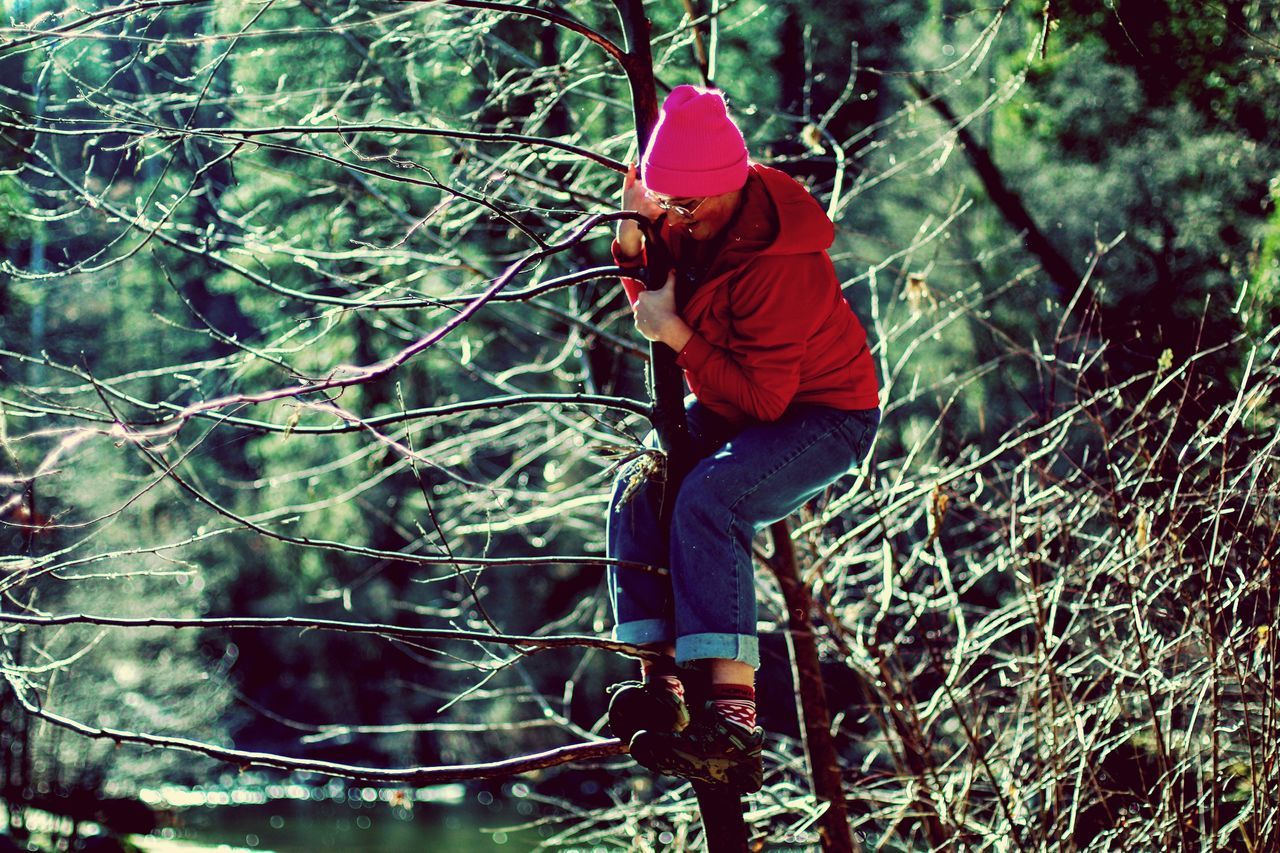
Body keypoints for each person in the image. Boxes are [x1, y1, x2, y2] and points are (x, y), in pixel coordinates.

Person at [604, 85, 880, 793]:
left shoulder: (781, 262)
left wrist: (673, 333)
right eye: (665, 201)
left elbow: (763, 400)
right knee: (643, 478)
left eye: (684, 205)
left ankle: (733, 724)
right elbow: (654, 289)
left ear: (727, 186)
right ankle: (658, 683)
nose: (676, 216)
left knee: (711, 498)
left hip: (824, 414)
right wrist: (634, 234)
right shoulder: (685, 213)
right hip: (739, 391)